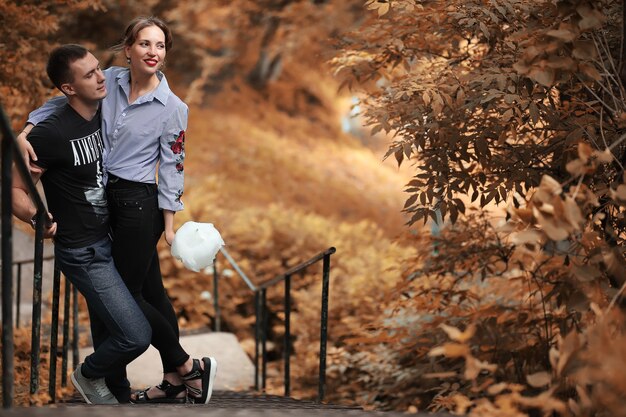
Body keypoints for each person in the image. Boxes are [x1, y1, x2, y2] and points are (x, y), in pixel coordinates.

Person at [19, 17, 217, 404]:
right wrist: (26, 131)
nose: (152, 52)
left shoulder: (173, 108)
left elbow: (173, 165)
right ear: (128, 48)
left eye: (160, 46)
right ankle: (177, 377)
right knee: (151, 293)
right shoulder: (107, 81)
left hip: (138, 205)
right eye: (144, 44)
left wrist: (170, 225)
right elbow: (60, 101)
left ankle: (179, 368)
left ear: (165, 53)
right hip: (105, 197)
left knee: (123, 295)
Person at [12, 44, 152, 405]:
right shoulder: (51, 133)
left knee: (114, 325)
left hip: (109, 238)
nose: (100, 77)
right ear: (68, 88)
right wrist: (34, 216)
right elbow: (11, 187)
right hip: (82, 251)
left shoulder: (104, 107)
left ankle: (117, 394)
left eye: (98, 68)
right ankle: (88, 375)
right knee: (136, 335)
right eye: (89, 74)